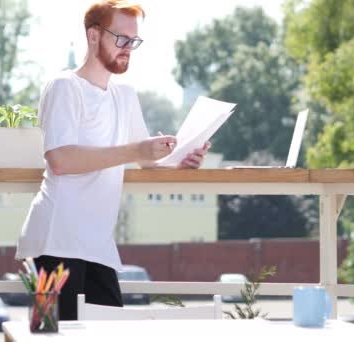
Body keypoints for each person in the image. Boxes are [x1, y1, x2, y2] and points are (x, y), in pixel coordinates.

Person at [15, 0, 209, 320]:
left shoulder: (125, 95)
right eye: (121, 38)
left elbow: (145, 159)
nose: (128, 48)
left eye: (133, 41)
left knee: (110, 333)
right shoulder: (64, 86)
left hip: (97, 245)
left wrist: (180, 160)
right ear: (94, 36)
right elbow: (61, 159)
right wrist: (137, 151)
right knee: (49, 334)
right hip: (53, 241)